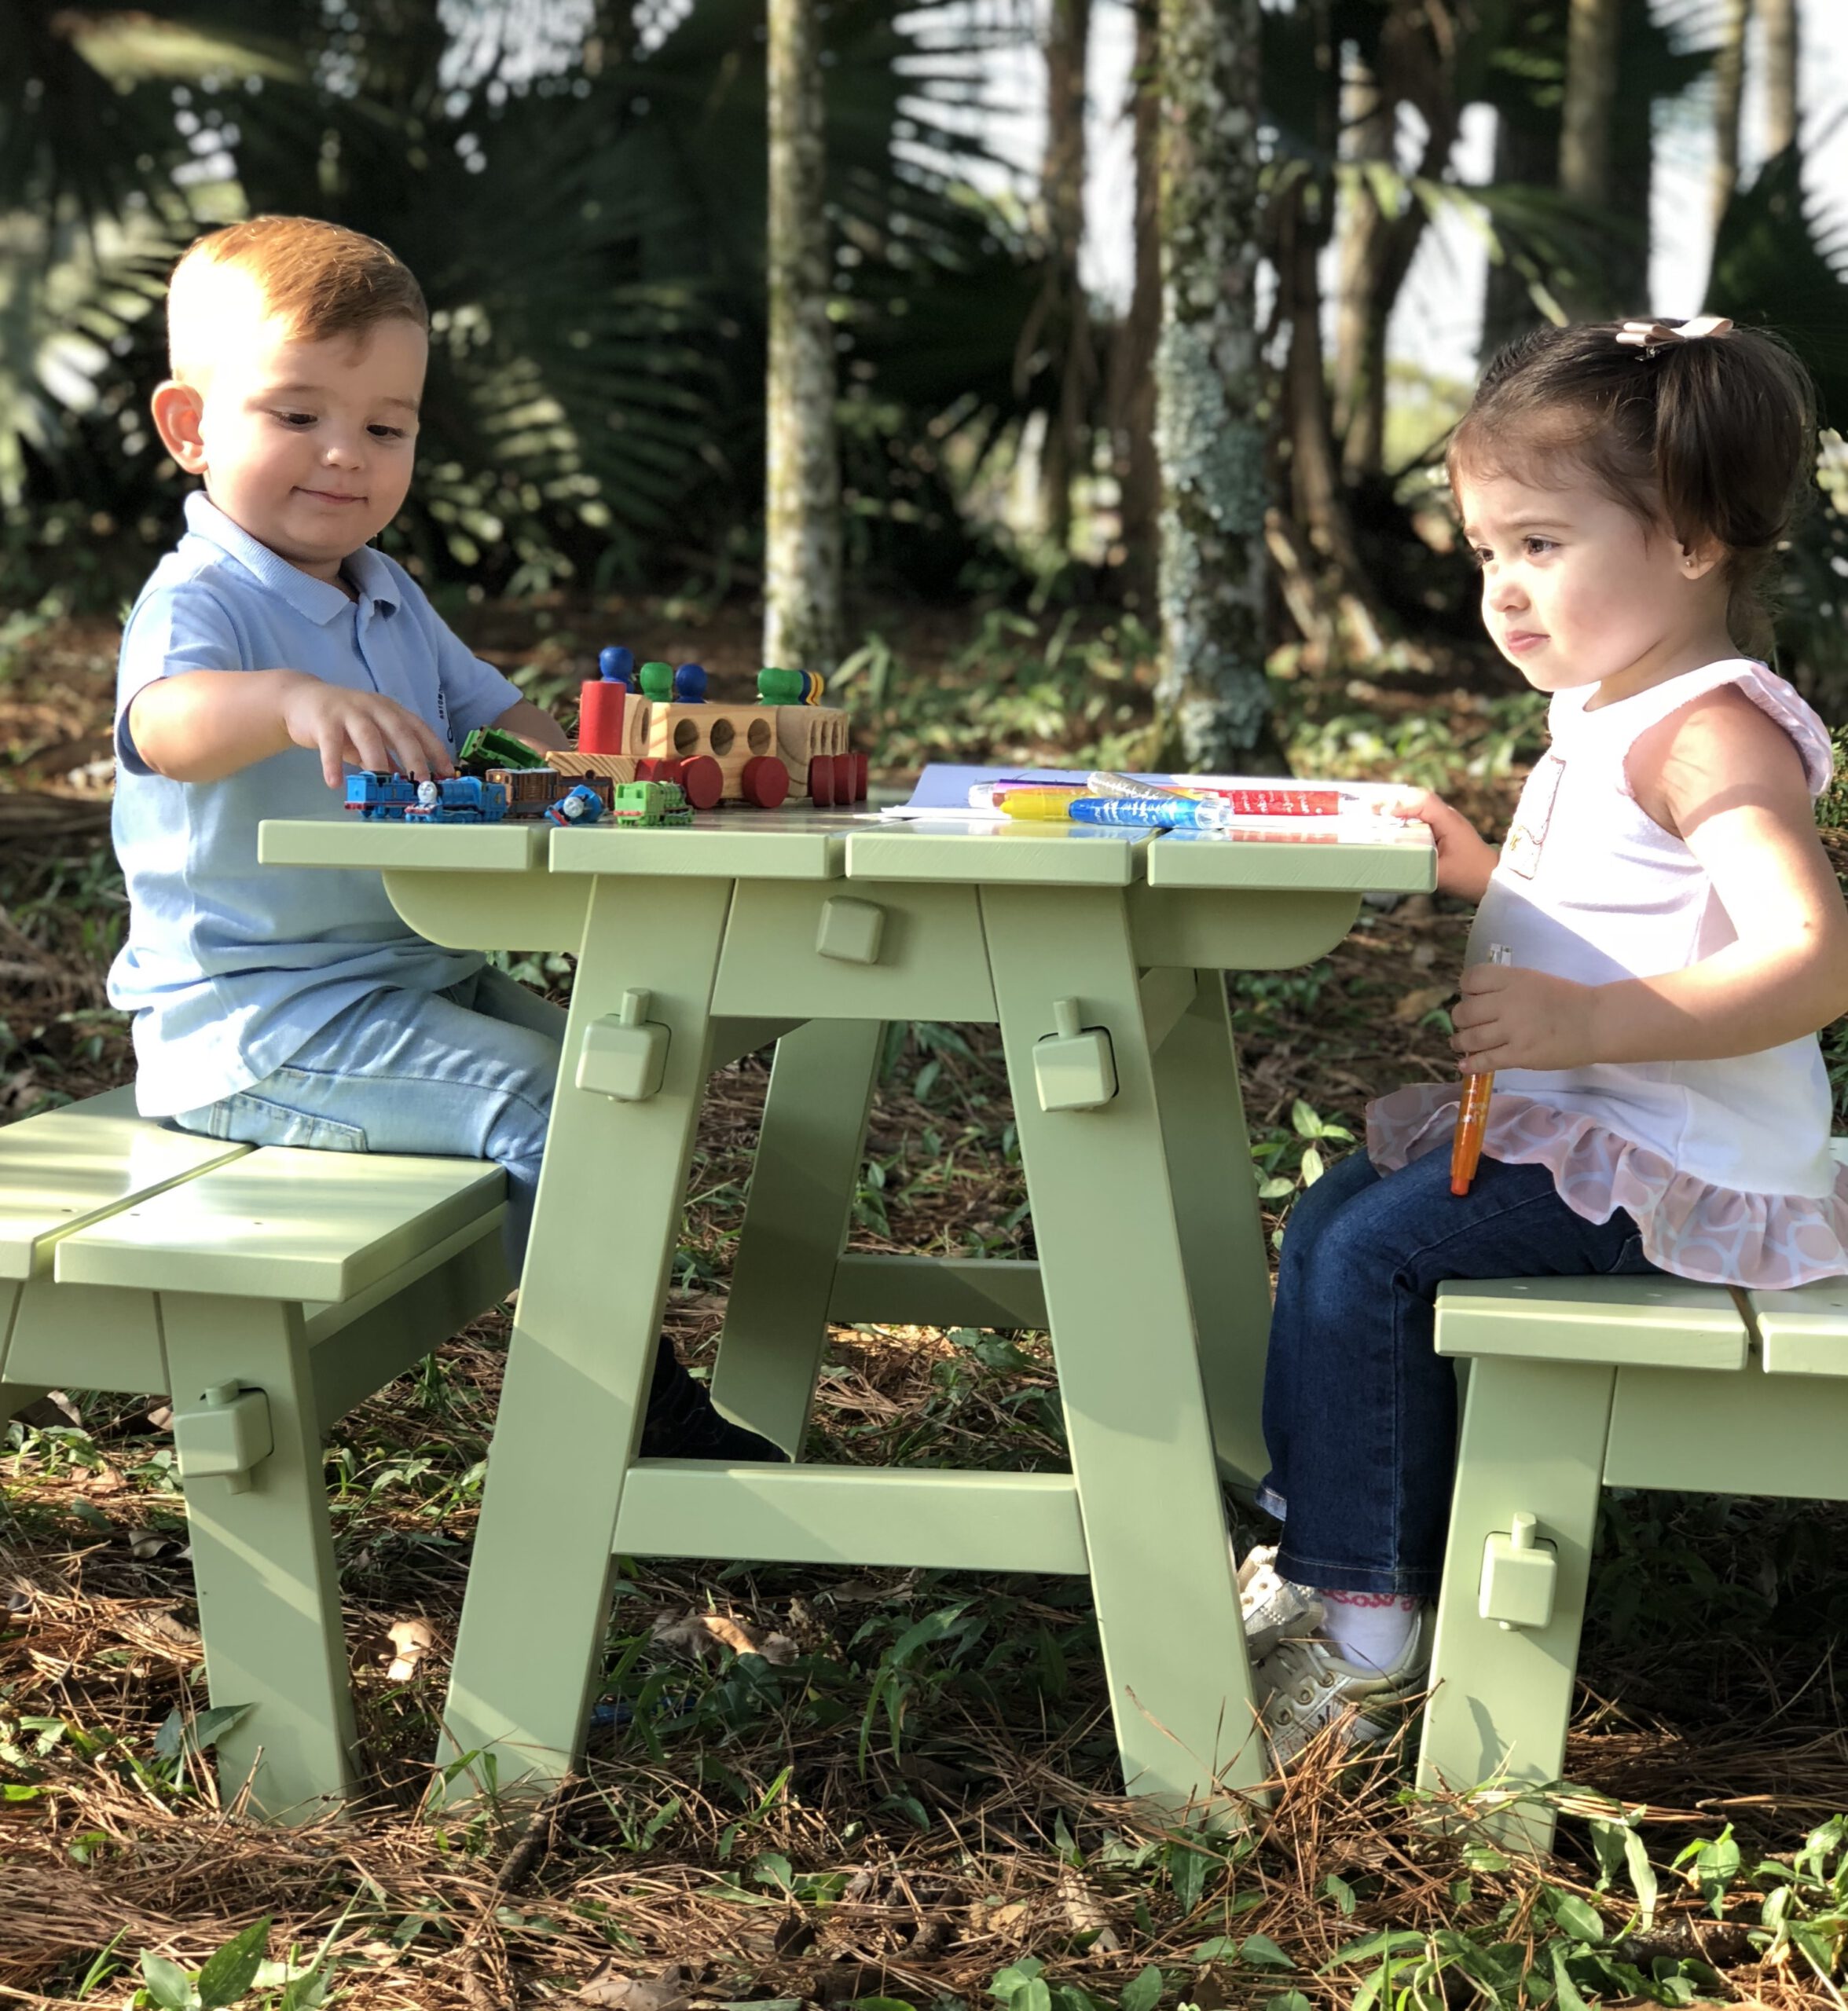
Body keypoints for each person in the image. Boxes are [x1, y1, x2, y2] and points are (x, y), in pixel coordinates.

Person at [1241, 316, 1848, 1763]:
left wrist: (1584, 1019)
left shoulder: (1709, 734)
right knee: (1337, 1211)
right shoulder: (1612, 705)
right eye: (1486, 555)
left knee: (1379, 1248)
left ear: (1693, 538)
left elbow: (1813, 958)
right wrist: (1479, 878)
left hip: (1678, 1164)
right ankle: (1311, 1525)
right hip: (1601, 1136)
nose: (1504, 592)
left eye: (1541, 545)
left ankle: (1367, 1620)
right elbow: (1628, 903)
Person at [108, 214, 779, 1462]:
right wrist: (288, 702)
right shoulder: (204, 598)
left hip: (409, 983)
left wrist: (641, 766)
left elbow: (509, 729)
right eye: (295, 414)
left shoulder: (386, 594)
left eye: (385, 426)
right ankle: (627, 1419)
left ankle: (633, 1365)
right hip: (262, 1025)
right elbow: (168, 725)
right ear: (191, 427)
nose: (344, 456)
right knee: (551, 1103)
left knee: (628, 1073)